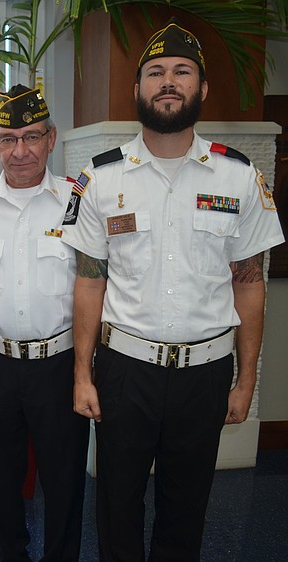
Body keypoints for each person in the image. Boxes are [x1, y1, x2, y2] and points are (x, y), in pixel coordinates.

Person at [61, 20, 284, 561]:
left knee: (187, 509)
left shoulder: (238, 178)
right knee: (117, 506)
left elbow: (249, 285)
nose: (168, 81)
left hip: (205, 374)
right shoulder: (101, 178)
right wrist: (83, 373)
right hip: (125, 371)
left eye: (182, 71)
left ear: (202, 88)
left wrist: (246, 380)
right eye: (156, 72)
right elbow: (89, 281)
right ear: (137, 88)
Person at [0, 85, 89, 561]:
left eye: (32, 137)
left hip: (59, 362)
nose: (20, 151)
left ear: (51, 139)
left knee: (65, 479)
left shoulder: (76, 200)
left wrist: (87, 367)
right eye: (8, 139)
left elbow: (94, 285)